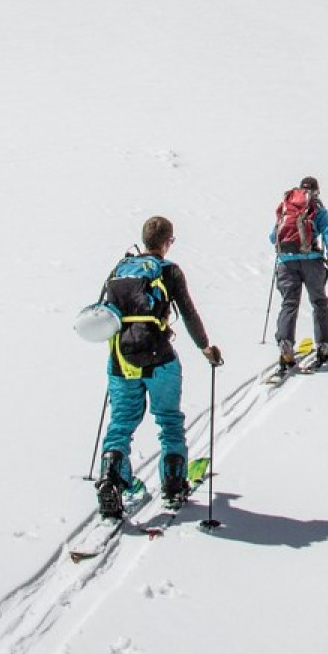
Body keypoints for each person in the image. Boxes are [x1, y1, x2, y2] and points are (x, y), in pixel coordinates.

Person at [95, 215, 222, 518]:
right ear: (168, 242)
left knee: (121, 422)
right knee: (169, 420)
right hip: (160, 358)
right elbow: (189, 313)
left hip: (121, 358)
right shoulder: (169, 271)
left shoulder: (120, 269)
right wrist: (206, 348)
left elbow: (101, 314)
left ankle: (112, 480)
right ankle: (174, 485)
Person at [271, 176, 328, 371]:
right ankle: (324, 346)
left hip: (286, 262)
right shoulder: (317, 209)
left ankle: (285, 344)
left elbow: (272, 236)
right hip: (312, 263)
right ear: (316, 192)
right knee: (319, 302)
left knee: (289, 303)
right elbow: (326, 232)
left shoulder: (287, 206)